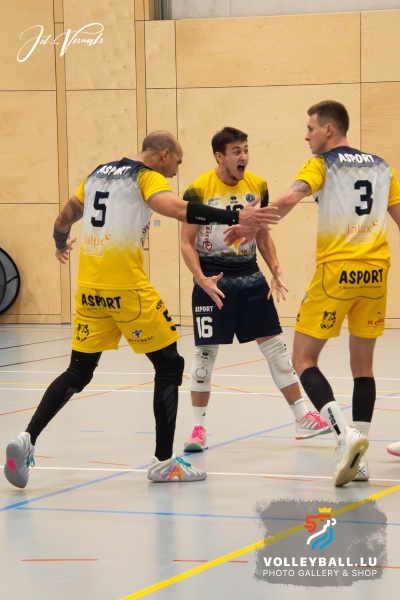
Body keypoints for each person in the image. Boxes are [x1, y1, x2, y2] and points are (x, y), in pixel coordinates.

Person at [3, 130, 280, 489]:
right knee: (170, 366)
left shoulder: (98, 174)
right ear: (164, 154)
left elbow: (62, 220)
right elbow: (178, 209)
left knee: (78, 371)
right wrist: (234, 216)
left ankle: (27, 438)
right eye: (176, 163)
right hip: (127, 290)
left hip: (88, 290)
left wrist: (60, 245)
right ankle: (163, 462)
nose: (175, 172)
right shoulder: (146, 177)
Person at [226, 102, 400, 486]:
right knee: (364, 367)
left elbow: (290, 199)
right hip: (376, 273)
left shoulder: (322, 163)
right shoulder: (383, 166)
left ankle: (344, 435)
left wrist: (252, 225)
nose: (306, 136)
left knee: (303, 359)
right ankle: (360, 458)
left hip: (337, 271)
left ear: (329, 130)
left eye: (310, 128)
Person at [180, 126, 330, 454]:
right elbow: (186, 242)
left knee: (276, 350)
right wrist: (200, 278)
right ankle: (197, 429)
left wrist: (275, 267)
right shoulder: (198, 190)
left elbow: (261, 234)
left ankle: (302, 417)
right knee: (204, 357)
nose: (244, 156)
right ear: (220, 156)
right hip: (212, 281)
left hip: (249, 277)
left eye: (245, 150)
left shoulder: (257, 185)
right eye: (236, 151)